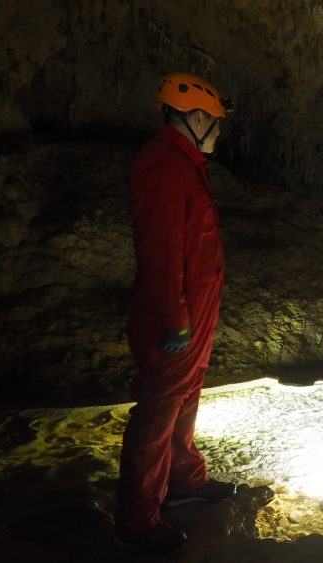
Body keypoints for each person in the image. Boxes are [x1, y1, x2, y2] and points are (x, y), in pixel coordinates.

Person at [114, 72, 237, 553]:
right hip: (174, 314)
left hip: (196, 312)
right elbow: (161, 250)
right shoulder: (164, 165)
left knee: (186, 399)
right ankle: (137, 519)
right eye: (217, 124)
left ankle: (184, 480)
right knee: (160, 409)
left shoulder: (185, 165)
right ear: (198, 117)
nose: (219, 133)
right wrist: (176, 318)